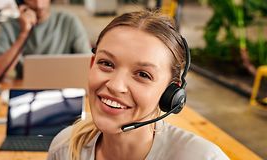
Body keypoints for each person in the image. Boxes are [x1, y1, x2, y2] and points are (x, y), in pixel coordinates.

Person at [47, 10, 229, 160]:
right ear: (91, 64)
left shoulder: (203, 157)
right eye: (107, 64)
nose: (116, 86)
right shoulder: (65, 149)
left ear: (170, 91)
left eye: (143, 74)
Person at [0, 0, 91, 80]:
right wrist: (23, 34)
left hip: (66, 91)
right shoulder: (8, 27)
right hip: (25, 92)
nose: (39, 5)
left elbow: (89, 66)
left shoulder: (69, 21)